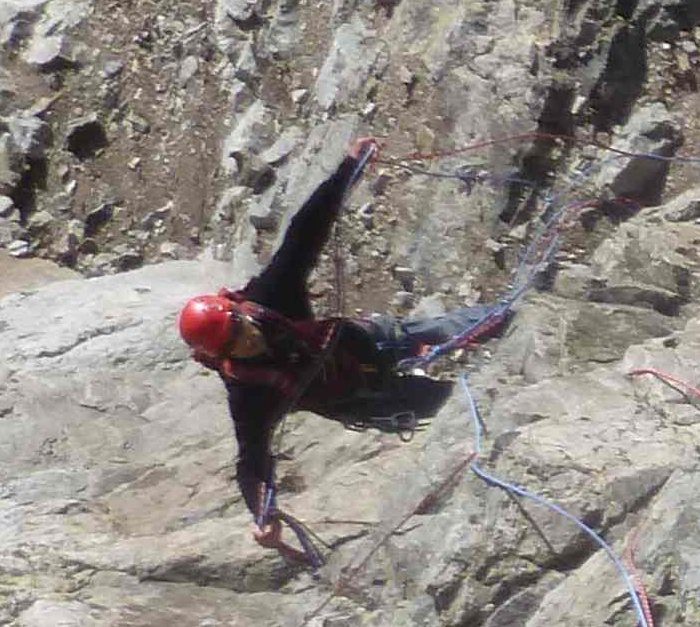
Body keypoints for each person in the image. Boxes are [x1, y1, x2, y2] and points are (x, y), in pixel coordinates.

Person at [175, 139, 514, 554]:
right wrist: (264, 514)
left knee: (460, 326)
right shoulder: (249, 392)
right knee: (470, 407)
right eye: (236, 342)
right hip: (372, 400)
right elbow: (252, 461)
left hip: (372, 344)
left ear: (238, 311)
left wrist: (347, 169)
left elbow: (305, 233)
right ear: (222, 355)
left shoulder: (270, 296)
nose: (248, 338)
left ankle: (520, 312)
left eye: (240, 325)